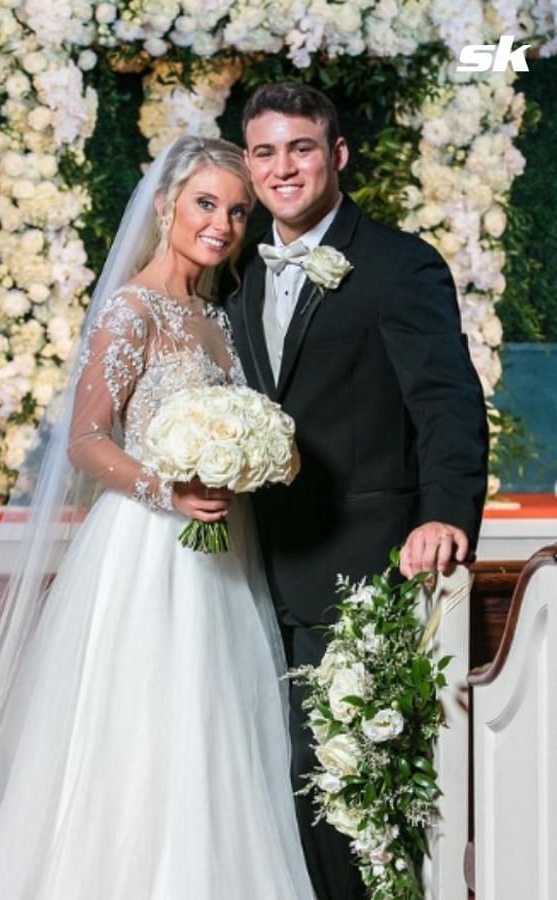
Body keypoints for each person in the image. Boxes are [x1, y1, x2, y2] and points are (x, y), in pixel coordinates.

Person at [0, 136, 317, 898]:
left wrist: (243, 460)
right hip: (147, 552)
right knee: (141, 734)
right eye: (207, 203)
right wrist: (169, 492)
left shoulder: (215, 313)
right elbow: (83, 441)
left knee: (213, 736)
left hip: (222, 554)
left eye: (238, 211)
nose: (223, 224)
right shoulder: (132, 309)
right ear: (167, 204)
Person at [228, 82, 488, 899]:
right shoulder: (229, 266)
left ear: (336, 155)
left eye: (301, 148)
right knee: (254, 783)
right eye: (265, 152)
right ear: (247, 163)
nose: (284, 168)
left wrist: (445, 513)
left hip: (353, 570)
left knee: (337, 789)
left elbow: (446, 403)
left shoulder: (399, 264)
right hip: (239, 569)